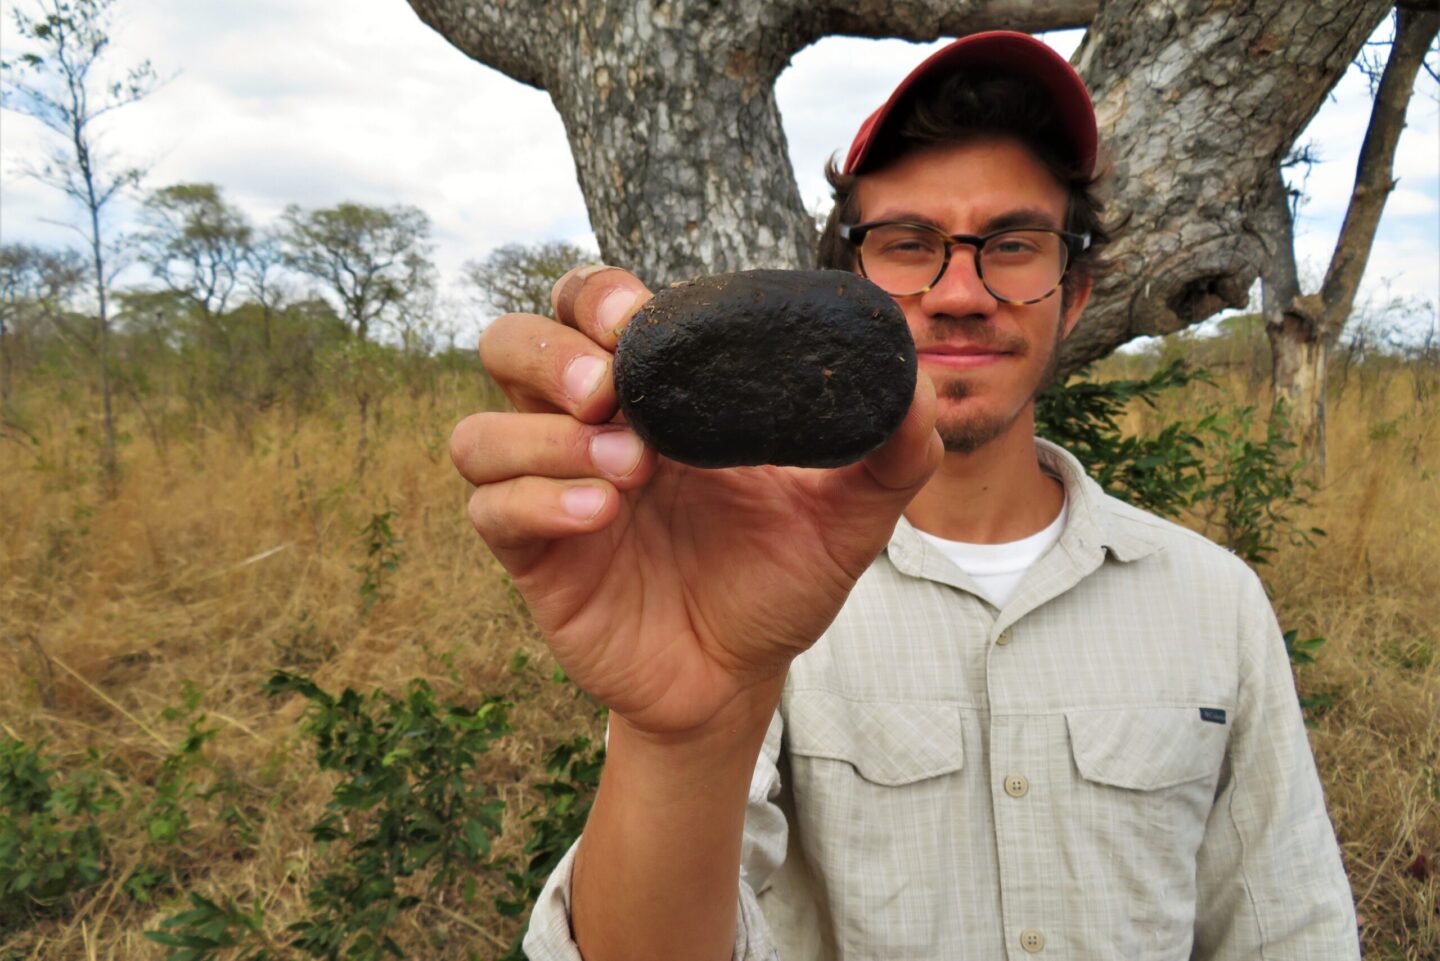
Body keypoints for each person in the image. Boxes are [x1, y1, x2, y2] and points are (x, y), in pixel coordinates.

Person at [449, 31, 1359, 961]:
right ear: (844, 287)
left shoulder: (1213, 601)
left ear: (1073, 293)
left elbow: (1293, 933)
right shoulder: (751, 591)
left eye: (1012, 243)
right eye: (908, 242)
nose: (960, 292)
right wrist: (676, 735)